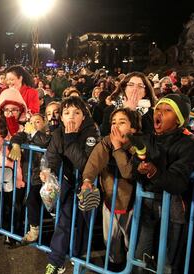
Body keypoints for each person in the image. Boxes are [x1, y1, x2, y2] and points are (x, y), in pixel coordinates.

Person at [132, 93, 194, 273]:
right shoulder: (148, 138)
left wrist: (154, 172)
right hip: (147, 205)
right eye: (158, 109)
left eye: (167, 110)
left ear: (178, 119)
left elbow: (178, 182)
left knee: (166, 263)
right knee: (140, 257)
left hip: (173, 210)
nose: (159, 113)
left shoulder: (188, 144)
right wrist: (139, 168)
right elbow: (136, 167)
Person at [41, 96, 100, 274]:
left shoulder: (92, 132)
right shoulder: (59, 132)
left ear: (84, 115)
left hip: (88, 185)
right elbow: (51, 155)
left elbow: (85, 164)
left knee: (84, 222)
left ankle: (78, 255)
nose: (71, 117)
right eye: (66, 113)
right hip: (67, 183)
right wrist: (46, 170)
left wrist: (71, 139)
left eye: (76, 112)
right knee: (64, 221)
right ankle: (55, 261)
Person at [82, 108, 141, 270]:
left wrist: (117, 148)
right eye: (113, 122)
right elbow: (94, 161)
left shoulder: (137, 144)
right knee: (110, 240)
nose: (116, 126)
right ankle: (115, 266)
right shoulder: (106, 141)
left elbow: (128, 171)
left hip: (131, 204)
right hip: (109, 201)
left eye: (122, 122)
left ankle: (132, 267)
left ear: (133, 128)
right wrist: (87, 180)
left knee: (131, 240)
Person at [0, 87, 27, 247]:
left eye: (14, 109)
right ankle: (1, 227)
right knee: (2, 200)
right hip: (3, 168)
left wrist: (16, 133)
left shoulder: (25, 124)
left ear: (21, 108)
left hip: (20, 171)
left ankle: (13, 233)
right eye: (7, 109)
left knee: (17, 203)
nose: (10, 113)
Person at [8, 113, 51, 244]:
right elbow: (16, 136)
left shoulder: (48, 134)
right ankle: (29, 229)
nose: (34, 125)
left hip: (43, 178)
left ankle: (36, 231)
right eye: (31, 122)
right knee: (28, 202)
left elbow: (44, 142)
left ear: (44, 122)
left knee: (36, 202)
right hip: (29, 177)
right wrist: (15, 144)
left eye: (37, 121)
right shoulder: (27, 134)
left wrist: (33, 132)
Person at [101, 72, 157, 136]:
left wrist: (132, 113)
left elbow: (147, 140)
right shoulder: (110, 110)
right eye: (131, 85)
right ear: (124, 88)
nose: (135, 89)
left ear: (145, 92)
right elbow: (105, 136)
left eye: (140, 86)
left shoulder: (151, 114)